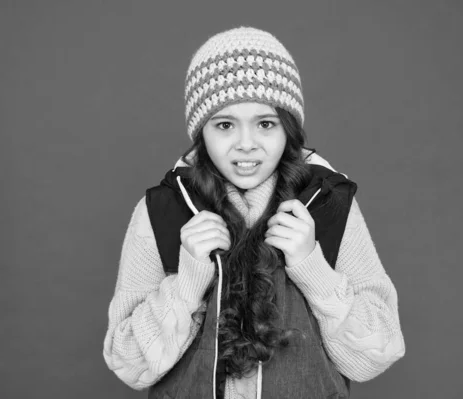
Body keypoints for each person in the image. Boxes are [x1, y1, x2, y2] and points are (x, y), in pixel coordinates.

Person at [103, 26, 405, 399]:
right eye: (225, 125)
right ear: (201, 132)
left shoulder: (329, 208)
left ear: (288, 129)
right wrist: (187, 284)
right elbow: (129, 364)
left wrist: (313, 268)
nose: (246, 144)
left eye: (265, 123)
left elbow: (376, 355)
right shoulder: (161, 213)